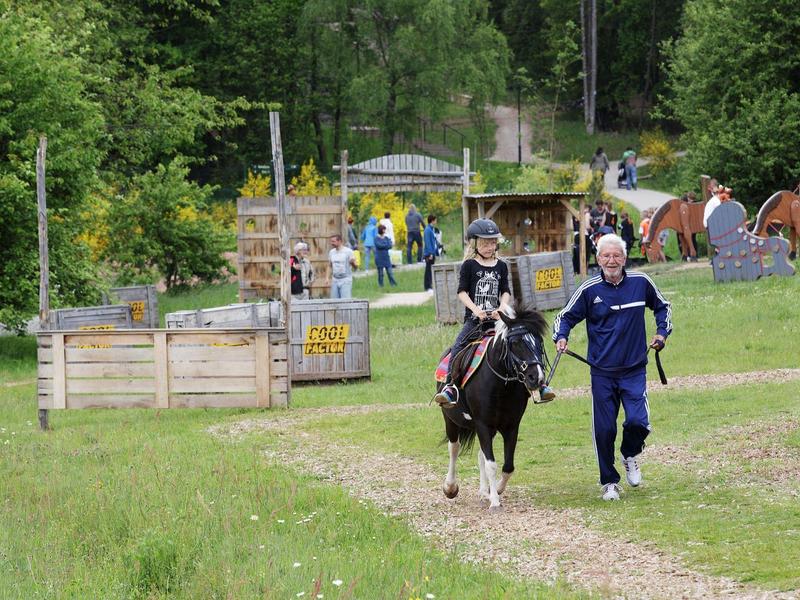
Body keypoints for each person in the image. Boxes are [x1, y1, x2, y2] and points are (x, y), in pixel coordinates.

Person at [552, 233, 672, 501]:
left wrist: (662, 333)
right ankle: (609, 483)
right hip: (602, 372)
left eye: (616, 255)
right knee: (604, 429)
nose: (611, 260)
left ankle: (630, 453)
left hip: (634, 369)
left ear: (625, 258)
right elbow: (565, 317)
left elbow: (663, 307)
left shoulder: (641, 283)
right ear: (598, 259)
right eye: (606, 255)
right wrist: (561, 337)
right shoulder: (589, 290)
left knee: (639, 422)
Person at [434, 218, 555, 407]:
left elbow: (505, 291)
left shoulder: (501, 266)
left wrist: (501, 308)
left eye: (492, 242)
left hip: (499, 321)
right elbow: (462, 292)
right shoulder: (469, 266)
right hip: (475, 322)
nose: (490, 246)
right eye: (485, 243)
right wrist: (476, 310)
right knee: (457, 347)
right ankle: (450, 387)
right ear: (474, 243)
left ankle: (540, 385)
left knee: (527, 342)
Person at [328, 234, 357, 299]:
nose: (331, 243)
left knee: (345, 301)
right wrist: (327, 278)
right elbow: (329, 266)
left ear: (339, 241)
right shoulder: (331, 252)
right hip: (335, 280)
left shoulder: (348, 252)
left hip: (345, 280)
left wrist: (352, 263)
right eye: (331, 241)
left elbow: (356, 267)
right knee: (334, 301)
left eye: (333, 241)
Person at [423, 214, 438, 293]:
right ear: (432, 220)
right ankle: (427, 286)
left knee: (430, 269)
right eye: (435, 220)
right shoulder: (427, 230)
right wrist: (430, 253)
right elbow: (428, 242)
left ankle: (430, 285)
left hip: (432, 252)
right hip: (429, 254)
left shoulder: (432, 229)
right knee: (428, 270)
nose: (436, 221)